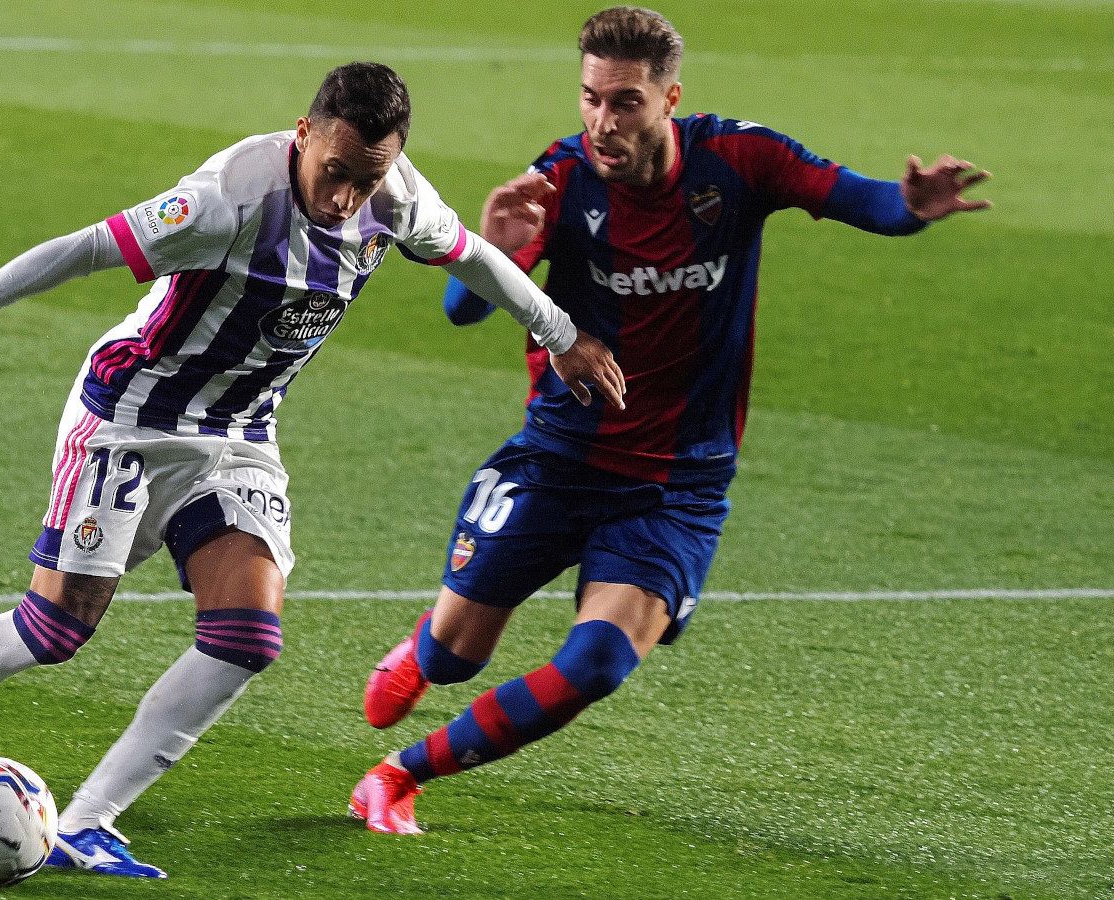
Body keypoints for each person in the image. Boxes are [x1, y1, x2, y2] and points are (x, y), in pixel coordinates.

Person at [0, 62, 624, 876]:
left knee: (246, 636)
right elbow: (90, 247)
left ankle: (87, 823)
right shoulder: (229, 196)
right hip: (128, 419)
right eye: (334, 173)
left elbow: (472, 254)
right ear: (305, 135)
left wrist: (562, 335)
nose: (344, 199)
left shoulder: (394, 195)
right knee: (54, 631)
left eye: (363, 181)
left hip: (236, 434)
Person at [349, 7, 991, 835]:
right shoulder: (560, 179)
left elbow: (860, 198)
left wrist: (909, 206)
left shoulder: (740, 160)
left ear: (669, 99)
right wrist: (494, 248)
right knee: (452, 655)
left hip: (675, 485)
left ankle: (402, 775)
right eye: (590, 99)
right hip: (558, 458)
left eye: (624, 103)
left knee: (595, 664)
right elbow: (462, 313)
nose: (602, 123)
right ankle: (422, 651)